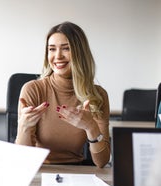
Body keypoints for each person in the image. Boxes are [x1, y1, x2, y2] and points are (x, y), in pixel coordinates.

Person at [15, 21, 110, 168]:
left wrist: (91, 127)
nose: (57, 56)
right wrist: (24, 127)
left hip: (76, 173)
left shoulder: (97, 95)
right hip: (38, 171)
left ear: (80, 53)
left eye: (66, 49)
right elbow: (22, 160)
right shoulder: (33, 89)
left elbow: (102, 162)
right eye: (51, 49)